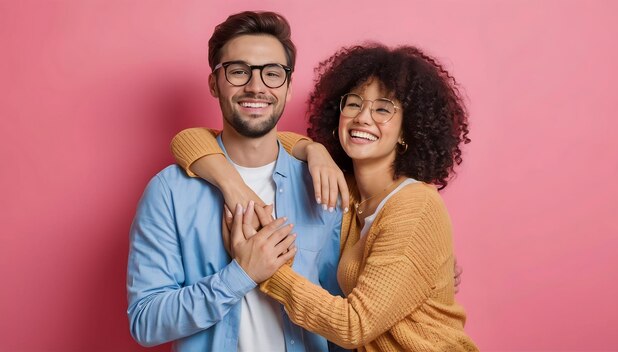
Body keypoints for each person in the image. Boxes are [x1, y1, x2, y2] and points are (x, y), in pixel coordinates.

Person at [171, 43, 478, 351]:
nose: (363, 118)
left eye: (383, 109)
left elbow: (352, 326)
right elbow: (193, 139)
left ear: (406, 130)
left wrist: (262, 269)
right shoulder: (348, 194)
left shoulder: (414, 206)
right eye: (354, 104)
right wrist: (309, 150)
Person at [127, 11, 350, 352]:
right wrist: (241, 275)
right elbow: (145, 321)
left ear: (289, 88)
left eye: (272, 73)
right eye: (238, 71)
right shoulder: (169, 192)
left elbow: (340, 316)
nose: (256, 86)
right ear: (214, 83)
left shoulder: (323, 185)